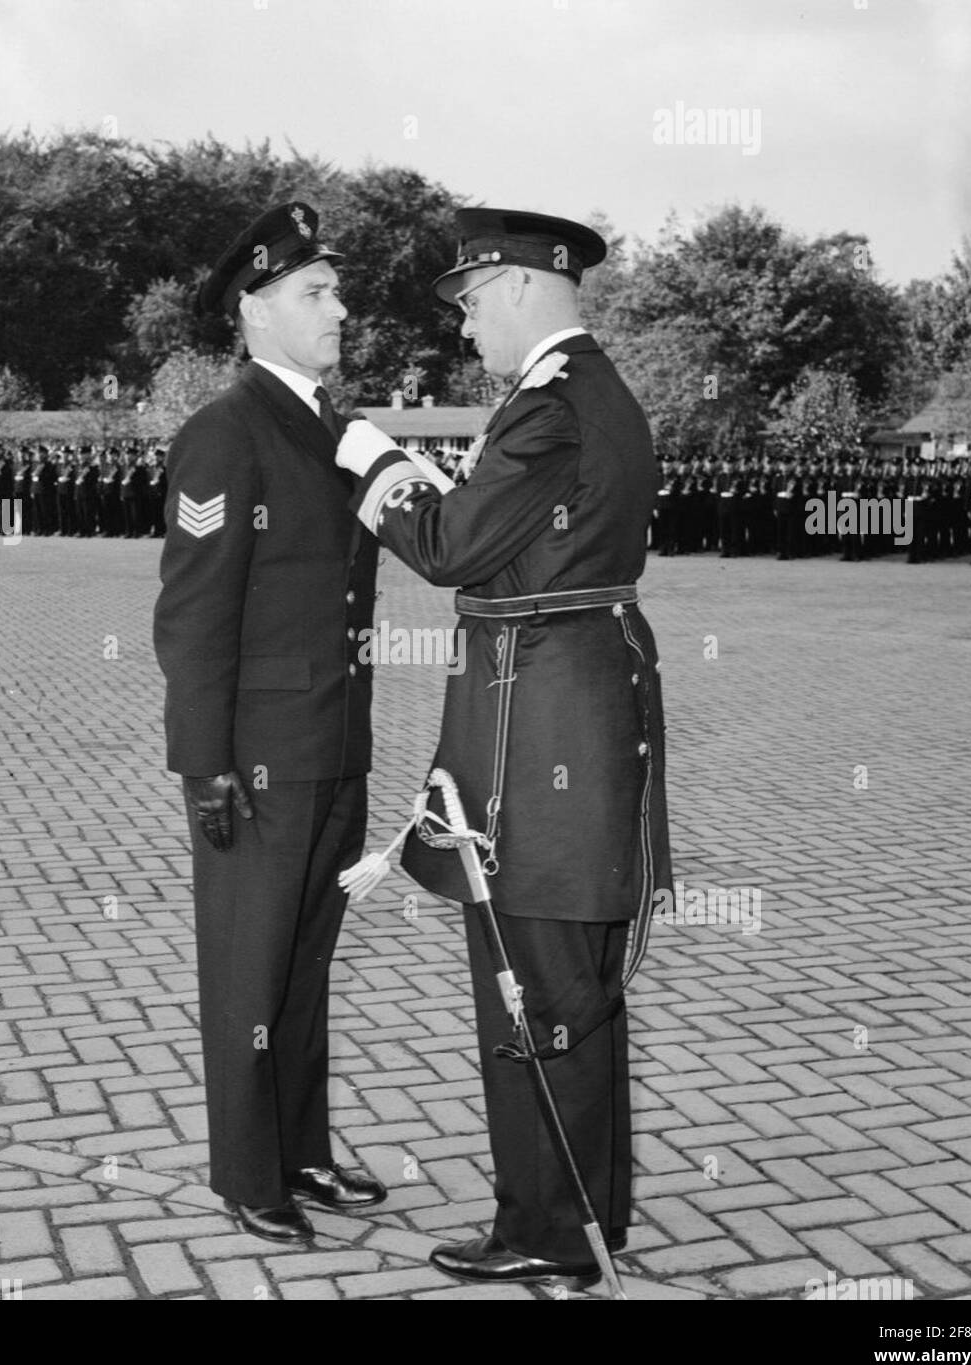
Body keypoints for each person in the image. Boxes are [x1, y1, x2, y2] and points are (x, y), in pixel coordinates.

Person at [336, 207, 672, 1291]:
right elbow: (512, 537)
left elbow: (450, 548)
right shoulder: (587, 392)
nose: (467, 326)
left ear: (524, 287)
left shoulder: (546, 405)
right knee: (564, 984)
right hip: (562, 706)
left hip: (541, 732)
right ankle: (579, 1214)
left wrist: (375, 462)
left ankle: (551, 1228)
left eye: (473, 302)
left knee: (535, 984)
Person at [152, 201, 386, 1246]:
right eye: (314, 292)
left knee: (301, 962)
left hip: (333, 749)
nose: (340, 308)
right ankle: (248, 1172)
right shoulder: (224, 433)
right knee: (250, 962)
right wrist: (203, 764)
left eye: (334, 289)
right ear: (255, 310)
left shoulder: (332, 427)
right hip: (257, 762)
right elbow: (194, 617)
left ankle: (299, 1145)